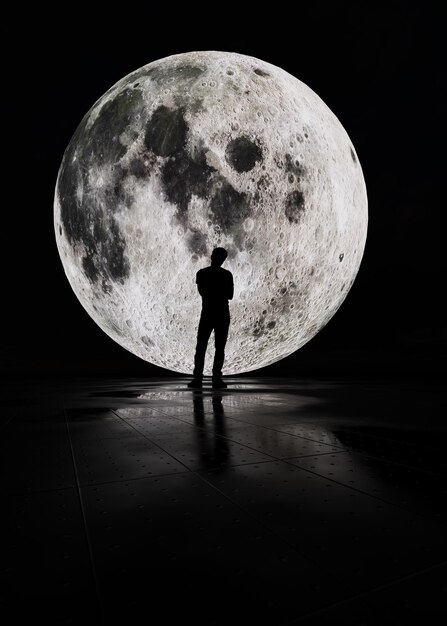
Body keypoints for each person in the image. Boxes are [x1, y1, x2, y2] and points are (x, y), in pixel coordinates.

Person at [188, 247, 233, 388]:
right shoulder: (227, 275)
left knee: (201, 347)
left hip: (207, 313)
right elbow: (230, 295)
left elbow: (203, 292)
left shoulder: (202, 273)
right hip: (222, 314)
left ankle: (197, 379)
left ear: (212, 256)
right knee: (219, 348)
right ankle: (216, 378)